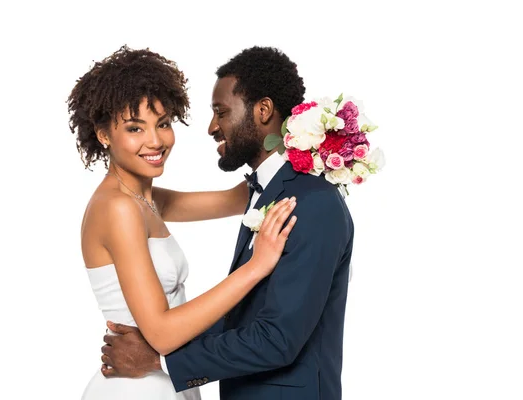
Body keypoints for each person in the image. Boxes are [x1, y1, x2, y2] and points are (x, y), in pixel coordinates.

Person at [101, 46, 354, 400]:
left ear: (263, 111)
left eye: (221, 112)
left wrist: (161, 360)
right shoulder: (265, 191)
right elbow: (244, 317)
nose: (211, 127)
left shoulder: (312, 202)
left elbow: (277, 340)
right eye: (134, 127)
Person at [67, 45, 298, 400]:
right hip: (137, 386)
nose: (155, 141)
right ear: (103, 134)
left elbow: (239, 197)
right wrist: (255, 268)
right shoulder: (117, 208)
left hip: (163, 378)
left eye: (162, 124)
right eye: (134, 128)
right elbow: (160, 333)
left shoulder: (146, 199)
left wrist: (309, 141)